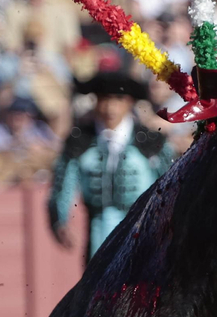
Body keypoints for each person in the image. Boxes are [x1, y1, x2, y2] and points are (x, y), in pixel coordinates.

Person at [48, 71, 171, 258]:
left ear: (129, 102)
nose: (110, 106)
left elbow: (172, 184)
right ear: (95, 101)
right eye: (104, 99)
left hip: (145, 233)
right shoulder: (79, 141)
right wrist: (60, 221)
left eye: (118, 99)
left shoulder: (151, 141)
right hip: (97, 236)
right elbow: (63, 185)